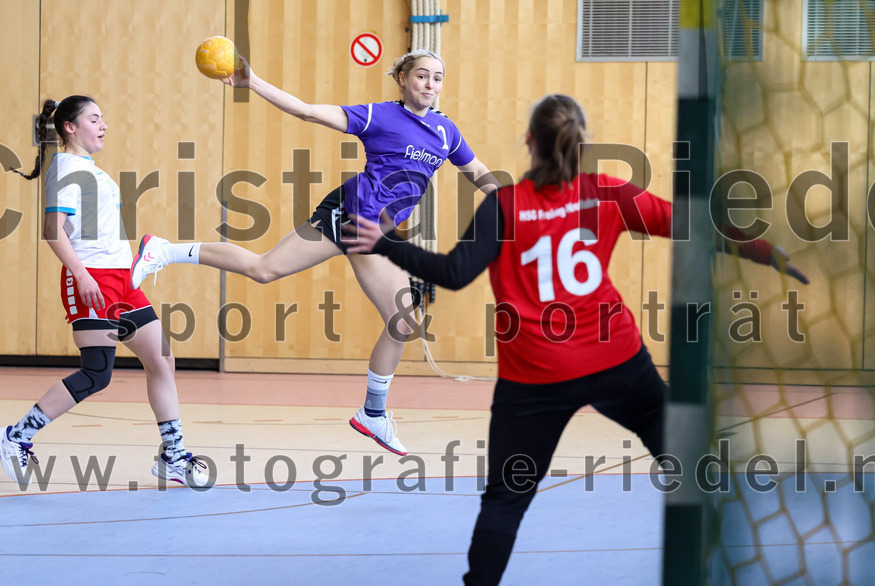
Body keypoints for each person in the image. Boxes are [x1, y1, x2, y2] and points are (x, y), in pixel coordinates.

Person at [343, 93, 809, 585]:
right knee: (686, 458)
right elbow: (692, 225)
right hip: (617, 361)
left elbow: (454, 273)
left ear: (530, 140)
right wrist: (765, 251)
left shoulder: (505, 205)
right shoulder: (607, 193)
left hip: (535, 377)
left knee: (506, 499)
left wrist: (386, 242)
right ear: (581, 143)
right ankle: (728, 559)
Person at [130, 50, 499, 455]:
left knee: (391, 317)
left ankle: (373, 413)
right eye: (422, 76)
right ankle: (164, 252)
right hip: (354, 218)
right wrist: (252, 82)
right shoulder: (379, 116)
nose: (430, 84)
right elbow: (307, 111)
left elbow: (479, 173)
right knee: (286, 277)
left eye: (437, 78)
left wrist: (515, 202)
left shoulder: (446, 132)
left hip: (378, 232)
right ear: (402, 79)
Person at [0, 97, 208, 488]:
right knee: (96, 373)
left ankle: (173, 457)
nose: (103, 125)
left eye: (102, 118)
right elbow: (53, 230)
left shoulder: (90, 170)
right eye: (94, 119)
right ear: (70, 127)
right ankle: (16, 436)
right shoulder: (67, 169)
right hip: (92, 279)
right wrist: (81, 274)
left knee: (162, 360)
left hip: (123, 279)